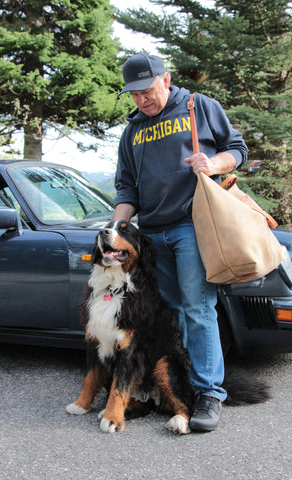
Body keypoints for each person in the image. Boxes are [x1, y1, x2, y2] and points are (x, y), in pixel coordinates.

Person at [113, 52, 248, 432]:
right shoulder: (133, 131)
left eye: (146, 90)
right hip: (152, 233)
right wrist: (115, 231)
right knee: (170, 311)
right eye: (134, 94)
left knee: (197, 307)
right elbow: (126, 187)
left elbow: (237, 149)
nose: (141, 99)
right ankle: (181, 387)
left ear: (166, 79)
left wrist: (213, 164)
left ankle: (209, 394)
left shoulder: (198, 107)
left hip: (192, 227)